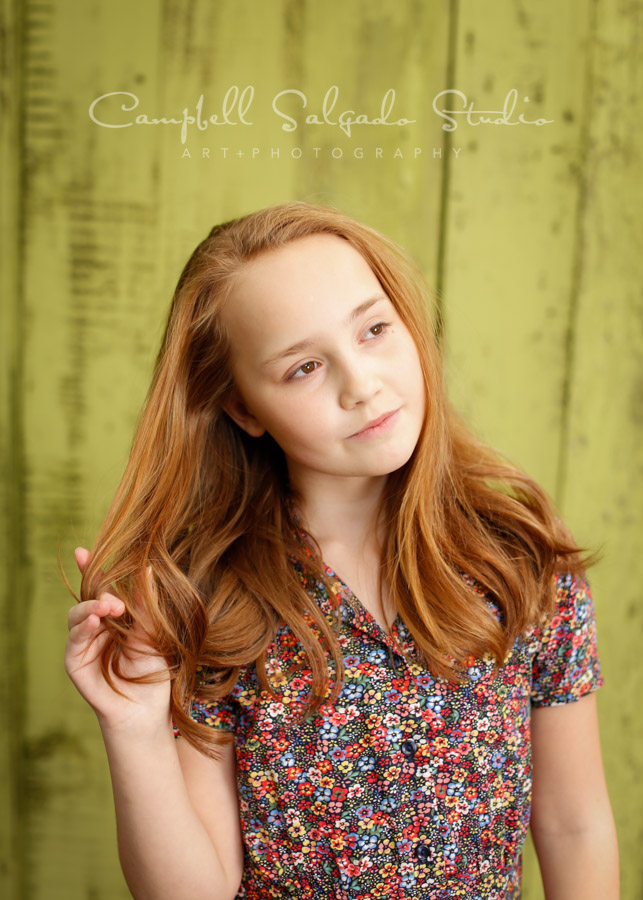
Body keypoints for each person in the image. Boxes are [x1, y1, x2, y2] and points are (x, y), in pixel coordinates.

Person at [63, 201, 619, 900]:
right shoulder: (212, 600)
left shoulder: (518, 563)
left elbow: (573, 824)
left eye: (374, 330)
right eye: (303, 368)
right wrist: (135, 726)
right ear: (242, 409)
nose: (362, 384)